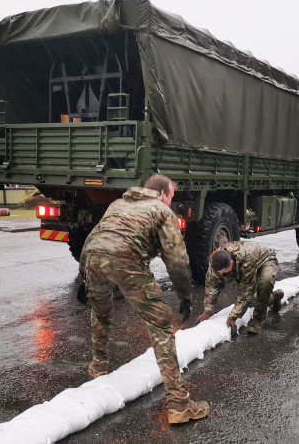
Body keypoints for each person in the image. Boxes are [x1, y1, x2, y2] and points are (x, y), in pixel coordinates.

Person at [79, 174, 209, 424]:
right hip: (127, 260)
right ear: (163, 194)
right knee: (160, 324)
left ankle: (98, 368)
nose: (171, 201)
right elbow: (177, 259)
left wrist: (83, 273)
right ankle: (180, 405)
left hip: (94, 258)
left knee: (101, 311)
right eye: (171, 195)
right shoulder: (161, 210)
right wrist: (184, 295)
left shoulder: (117, 204)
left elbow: (94, 237)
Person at [197, 241, 284, 337]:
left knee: (264, 285)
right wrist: (208, 309)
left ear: (231, 263)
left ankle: (258, 319)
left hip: (266, 259)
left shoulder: (246, 260)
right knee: (250, 302)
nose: (221, 275)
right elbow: (213, 285)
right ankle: (275, 296)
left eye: (224, 272)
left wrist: (233, 317)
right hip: (248, 262)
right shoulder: (215, 260)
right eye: (219, 272)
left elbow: (245, 291)